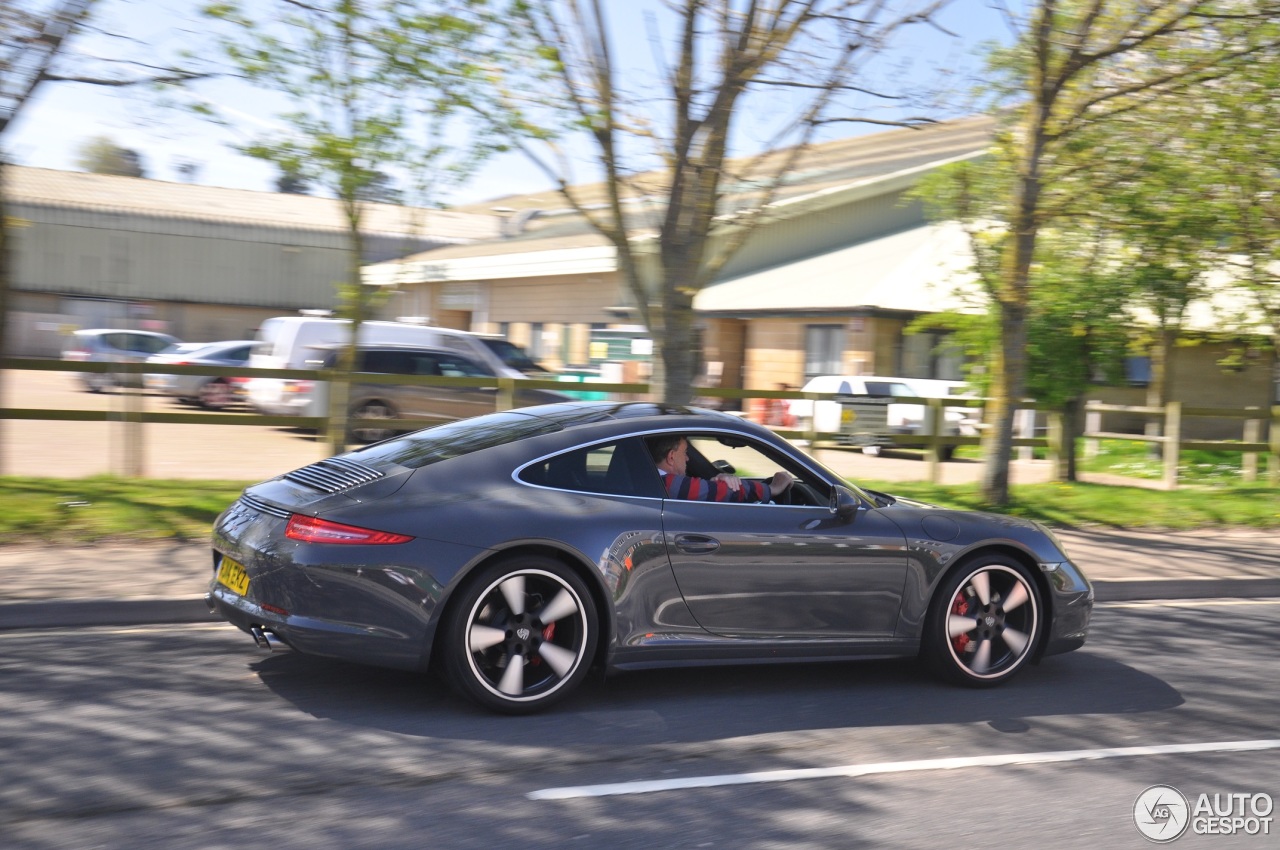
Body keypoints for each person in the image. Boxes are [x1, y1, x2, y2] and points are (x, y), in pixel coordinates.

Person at [648, 435, 794, 503]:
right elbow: (723, 492)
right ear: (671, 457)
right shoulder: (669, 484)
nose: (687, 459)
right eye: (685, 453)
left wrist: (716, 481)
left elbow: (710, 490)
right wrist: (771, 489)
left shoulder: (655, 480)